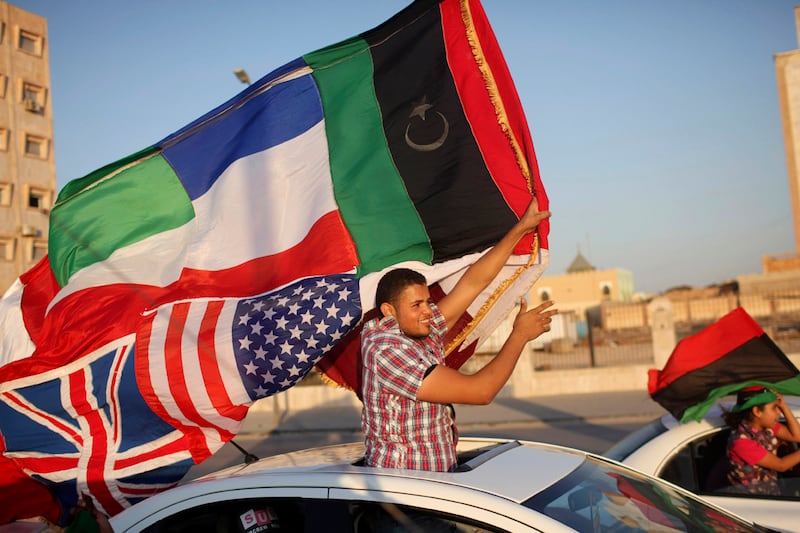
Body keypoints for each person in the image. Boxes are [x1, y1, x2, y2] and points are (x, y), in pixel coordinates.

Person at [360, 199, 556, 472]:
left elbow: (474, 282)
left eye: (427, 301)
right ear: (389, 312)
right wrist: (519, 335)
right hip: (409, 494)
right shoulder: (387, 350)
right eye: (417, 305)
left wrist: (521, 229)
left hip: (434, 483)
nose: (428, 311)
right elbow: (481, 391)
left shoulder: (417, 328)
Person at [723, 386, 800, 495]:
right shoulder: (741, 442)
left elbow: (797, 436)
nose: (778, 413)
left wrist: (784, 407)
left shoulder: (768, 427)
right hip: (752, 503)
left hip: (770, 495)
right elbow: (781, 465)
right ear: (757, 411)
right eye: (774, 408)